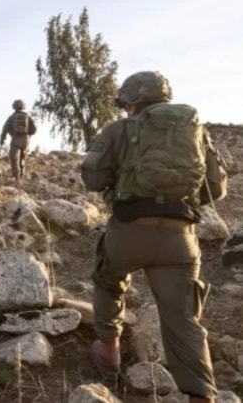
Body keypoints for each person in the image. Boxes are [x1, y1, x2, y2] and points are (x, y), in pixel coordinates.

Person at [81, 71, 227, 403]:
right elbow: (216, 188)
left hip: (128, 231)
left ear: (130, 102)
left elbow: (92, 178)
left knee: (108, 278)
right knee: (184, 321)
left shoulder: (119, 129)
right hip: (180, 240)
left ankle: (109, 352)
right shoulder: (195, 131)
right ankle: (202, 396)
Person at [0, 99, 37, 185]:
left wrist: (2, 139)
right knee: (23, 158)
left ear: (14, 107)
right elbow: (34, 130)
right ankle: (22, 175)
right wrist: (29, 135)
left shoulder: (11, 117)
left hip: (15, 138)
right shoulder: (28, 117)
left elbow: (4, 129)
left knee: (14, 158)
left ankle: (17, 178)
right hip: (26, 139)